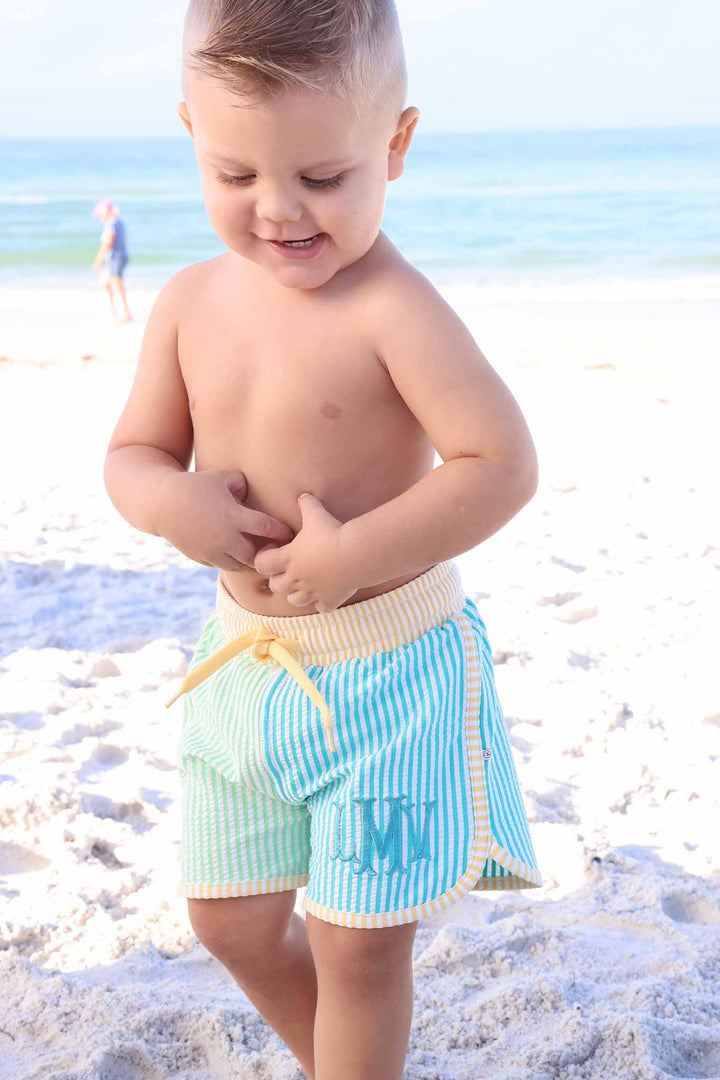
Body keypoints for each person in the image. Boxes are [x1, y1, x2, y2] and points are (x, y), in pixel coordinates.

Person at [103, 2, 543, 1077]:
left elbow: (502, 465)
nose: (279, 210)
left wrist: (358, 555)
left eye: (323, 177)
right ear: (191, 136)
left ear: (394, 146)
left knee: (358, 947)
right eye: (237, 176)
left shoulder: (393, 309)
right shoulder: (187, 303)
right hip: (239, 673)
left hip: (384, 676)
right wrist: (171, 505)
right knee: (230, 921)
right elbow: (132, 455)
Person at [91, 199, 132, 322]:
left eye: (100, 215)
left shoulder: (112, 224)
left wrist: (98, 260)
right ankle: (113, 309)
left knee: (117, 284)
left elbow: (108, 243)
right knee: (105, 283)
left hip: (116, 258)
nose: (99, 218)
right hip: (117, 257)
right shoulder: (117, 222)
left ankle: (126, 312)